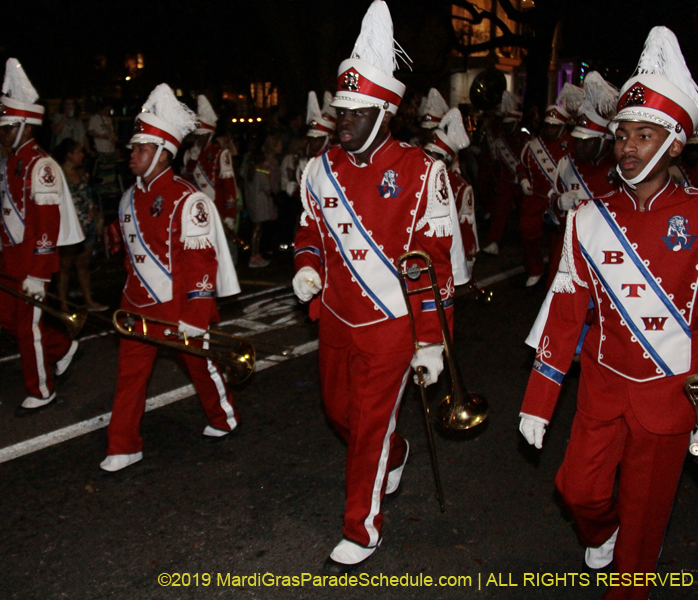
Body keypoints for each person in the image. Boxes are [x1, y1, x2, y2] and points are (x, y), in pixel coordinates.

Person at [519, 27, 698, 600]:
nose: (626, 146)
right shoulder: (588, 219)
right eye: (622, 134)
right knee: (578, 492)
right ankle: (602, 530)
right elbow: (565, 315)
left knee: (641, 543)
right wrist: (538, 401)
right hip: (601, 387)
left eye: (644, 135)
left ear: (675, 143)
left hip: (672, 398)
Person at [292, 0, 467, 573]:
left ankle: (361, 529)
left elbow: (431, 267)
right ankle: (398, 449)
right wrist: (307, 264)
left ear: (384, 112)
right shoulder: (320, 169)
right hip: (338, 318)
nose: (341, 120)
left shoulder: (423, 172)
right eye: (340, 109)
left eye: (354, 111)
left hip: (392, 326)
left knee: (367, 424)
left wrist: (431, 340)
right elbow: (309, 230)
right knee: (338, 413)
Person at [100, 83, 241, 473]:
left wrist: (196, 318)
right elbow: (132, 255)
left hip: (179, 306)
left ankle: (223, 416)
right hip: (137, 305)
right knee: (130, 376)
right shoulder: (127, 197)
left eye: (140, 149)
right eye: (133, 148)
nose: (132, 155)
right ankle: (123, 444)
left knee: (201, 366)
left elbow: (200, 265)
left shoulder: (187, 199)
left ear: (163, 154)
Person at [0, 58, 84, 413]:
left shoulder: (41, 165)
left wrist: (40, 272)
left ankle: (42, 389)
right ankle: (61, 347)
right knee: (8, 318)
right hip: (11, 255)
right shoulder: (6, 164)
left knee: (27, 327)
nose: (1, 131)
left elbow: (45, 222)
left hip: (32, 259)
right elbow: (13, 210)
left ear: (25, 126)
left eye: (7, 126)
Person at [545, 71, 620, 288]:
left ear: (604, 142)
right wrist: (557, 202)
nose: (578, 146)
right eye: (577, 140)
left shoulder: (619, 170)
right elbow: (551, 215)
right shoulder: (566, 164)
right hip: (569, 250)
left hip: (606, 253)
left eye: (586, 142)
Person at [516, 84, 582, 287]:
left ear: (563, 126)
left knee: (560, 244)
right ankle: (535, 268)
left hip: (562, 201)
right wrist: (524, 180)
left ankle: (556, 278)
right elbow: (522, 166)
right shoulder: (533, 145)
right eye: (548, 125)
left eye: (555, 125)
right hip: (538, 198)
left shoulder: (575, 144)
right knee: (526, 230)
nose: (550, 129)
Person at [424, 108, 479, 279]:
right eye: (426, 154)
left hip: (443, 256)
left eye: (433, 156)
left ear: (447, 160)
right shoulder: (417, 175)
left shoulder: (461, 188)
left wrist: (464, 265)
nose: (427, 160)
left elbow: (466, 230)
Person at [52, 138, 106, 311]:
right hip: (70, 227)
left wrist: (98, 217)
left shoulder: (82, 174)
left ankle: (88, 300)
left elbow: (89, 197)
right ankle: (63, 305)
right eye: (79, 152)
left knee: (83, 265)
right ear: (69, 155)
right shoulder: (58, 175)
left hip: (87, 224)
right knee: (65, 267)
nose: (82, 155)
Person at [481, 91, 527, 256]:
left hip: (522, 181)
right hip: (504, 180)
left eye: (510, 124)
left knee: (525, 214)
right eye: (505, 123)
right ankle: (494, 242)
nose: (506, 126)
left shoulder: (524, 138)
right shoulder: (499, 137)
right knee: (499, 212)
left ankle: (525, 242)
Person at [184, 95, 238, 229]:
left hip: (216, 209)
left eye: (201, 136)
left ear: (209, 135)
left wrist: (230, 214)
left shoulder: (220, 153)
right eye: (197, 136)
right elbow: (186, 182)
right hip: (195, 210)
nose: (198, 140)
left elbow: (229, 185)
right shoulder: (189, 154)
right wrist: (192, 160)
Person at [245, 136, 281, 268]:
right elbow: (268, 189)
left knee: (257, 229)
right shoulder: (260, 173)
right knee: (258, 229)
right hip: (260, 205)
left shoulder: (250, 173)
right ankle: (254, 256)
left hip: (253, 205)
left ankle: (256, 254)